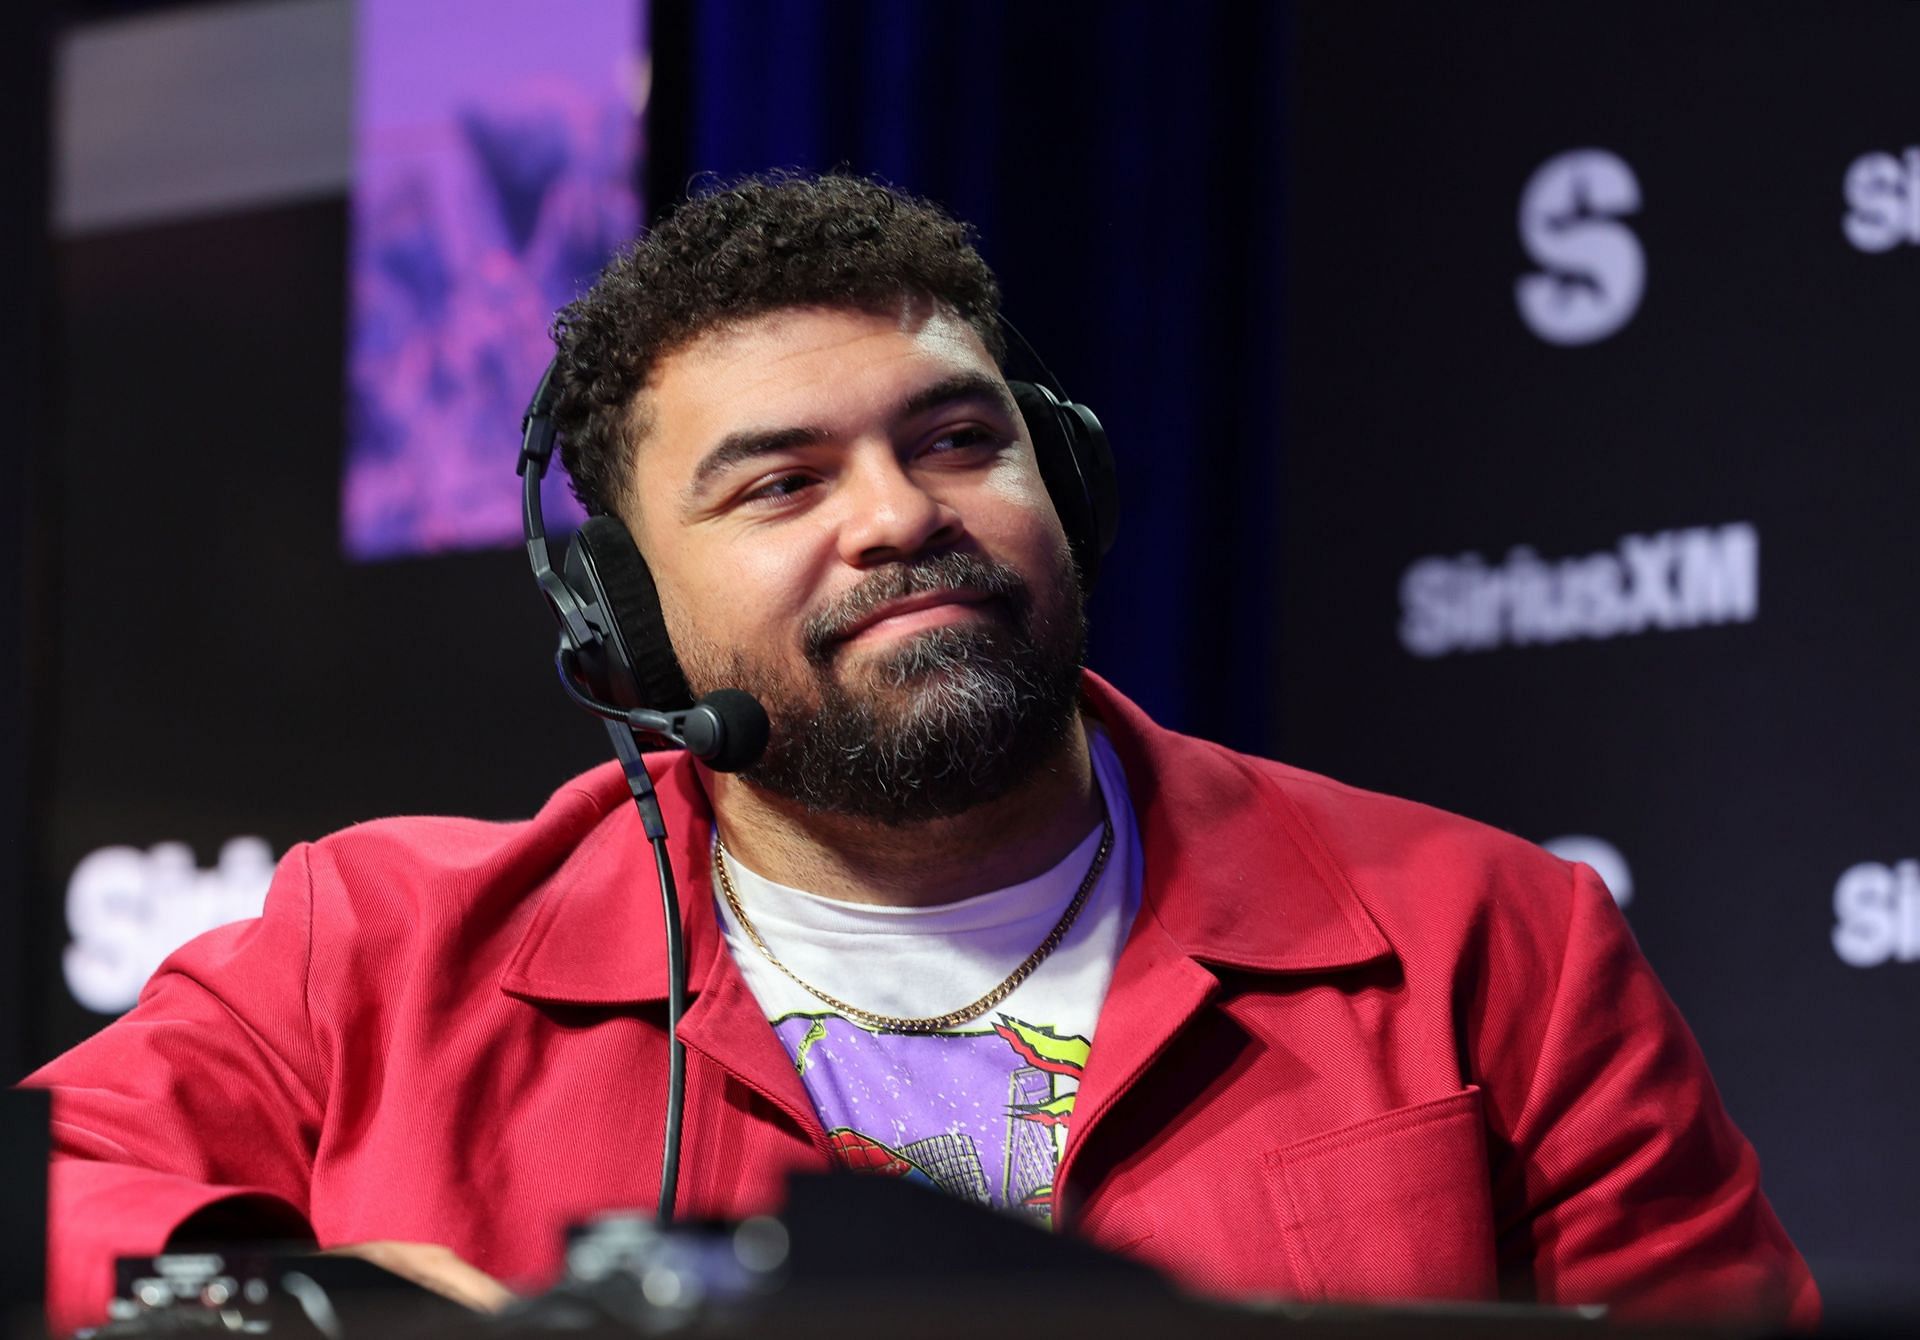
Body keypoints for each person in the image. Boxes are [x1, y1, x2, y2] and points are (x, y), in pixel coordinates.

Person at [25, 173, 1818, 1334]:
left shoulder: (1483, 937)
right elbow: (51, 1194)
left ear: (1067, 483)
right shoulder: (382, 947)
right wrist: (321, 1299)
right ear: (628, 617)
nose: (899, 517)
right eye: (783, 483)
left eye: (958, 440)